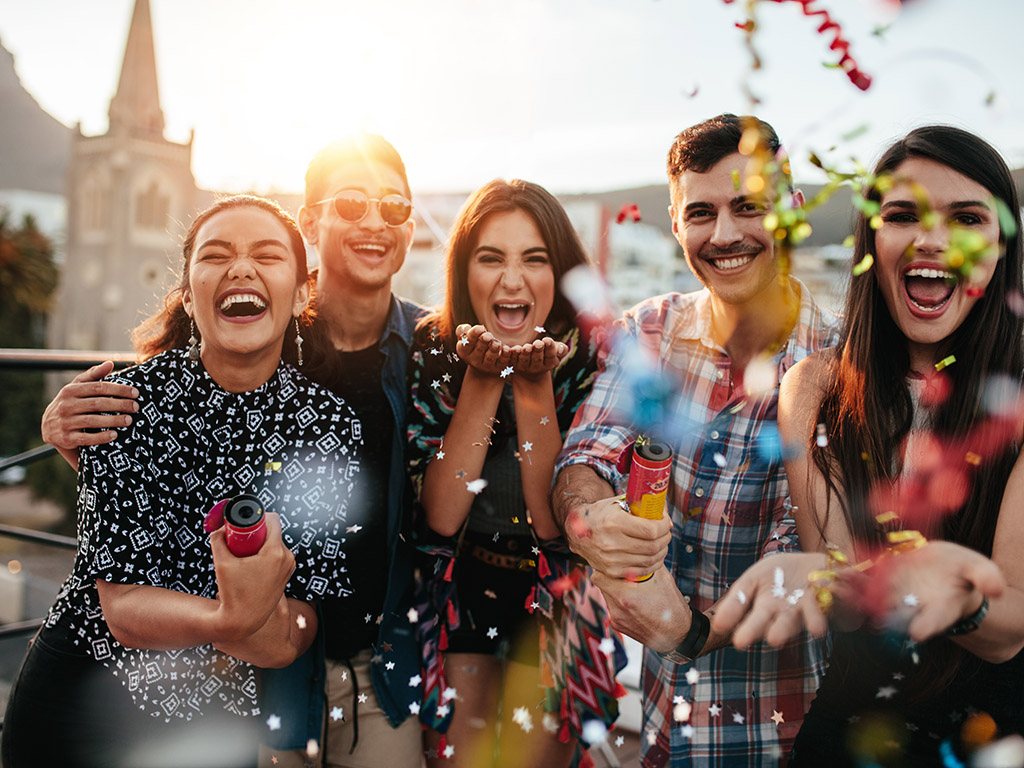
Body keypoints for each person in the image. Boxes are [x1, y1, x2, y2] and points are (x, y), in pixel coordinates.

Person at [38, 135, 426, 768]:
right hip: (193, 676)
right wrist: (62, 421)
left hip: (353, 655)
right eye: (351, 204)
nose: (373, 222)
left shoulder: (428, 353)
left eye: (394, 207)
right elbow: (125, 593)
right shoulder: (180, 372)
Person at [712, 125, 1024, 767]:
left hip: (992, 733)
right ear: (871, 243)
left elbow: (1009, 631)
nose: (931, 239)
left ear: (1001, 250)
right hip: (852, 723)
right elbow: (840, 572)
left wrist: (961, 597)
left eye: (967, 217)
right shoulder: (816, 387)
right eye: (902, 215)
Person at [551, 114, 838, 766]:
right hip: (666, 730)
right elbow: (586, 454)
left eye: (750, 207)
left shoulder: (842, 358)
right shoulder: (650, 330)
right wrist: (592, 515)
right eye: (701, 212)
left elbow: (818, 556)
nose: (726, 234)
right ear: (676, 224)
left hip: (792, 733)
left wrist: (691, 634)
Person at [406, 179, 624, 767]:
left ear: (560, 273)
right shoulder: (434, 346)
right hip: (464, 583)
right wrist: (481, 380)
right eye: (490, 258)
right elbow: (443, 515)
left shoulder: (592, 354)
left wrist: (533, 390)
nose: (511, 280)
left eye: (535, 259)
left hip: (556, 593)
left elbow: (555, 530)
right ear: (462, 271)